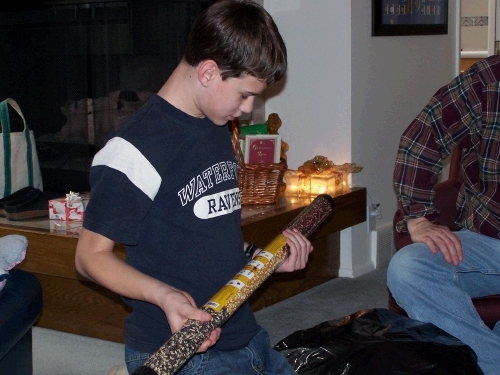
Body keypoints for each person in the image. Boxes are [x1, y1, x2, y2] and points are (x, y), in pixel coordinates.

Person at [75, 1, 313, 374]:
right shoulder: (134, 149)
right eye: (245, 94)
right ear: (207, 72)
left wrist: (263, 262)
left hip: (244, 334)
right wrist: (165, 295)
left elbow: (211, 232)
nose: (248, 108)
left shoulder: (216, 126)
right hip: (177, 350)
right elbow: (89, 257)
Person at [388, 54, 500, 375]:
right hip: (489, 240)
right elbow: (420, 139)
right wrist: (419, 218)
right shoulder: (488, 81)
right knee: (407, 268)